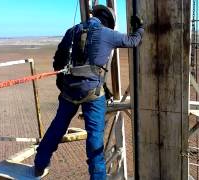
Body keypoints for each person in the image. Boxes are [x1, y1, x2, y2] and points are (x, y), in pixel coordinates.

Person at [34, 5, 144, 179]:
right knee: (95, 140)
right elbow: (133, 41)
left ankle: (40, 164)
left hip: (69, 92)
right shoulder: (107, 33)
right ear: (108, 21)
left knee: (57, 127)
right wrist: (140, 28)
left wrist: (62, 83)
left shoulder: (71, 31)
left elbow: (58, 61)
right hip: (92, 94)